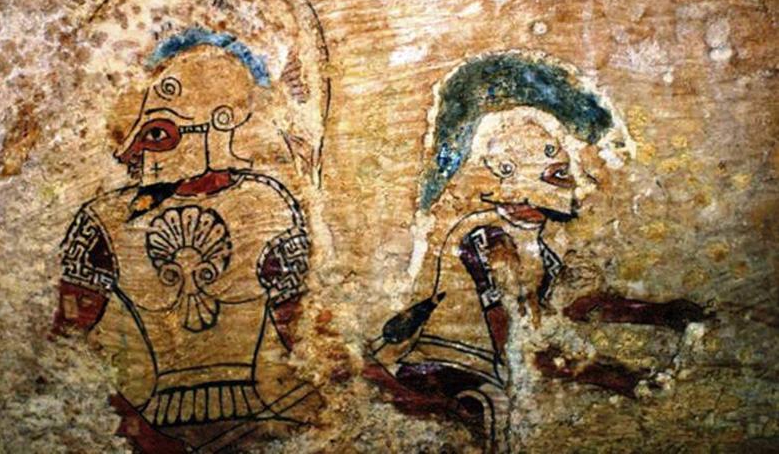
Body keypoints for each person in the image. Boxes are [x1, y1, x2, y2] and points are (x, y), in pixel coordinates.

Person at [368, 52, 708, 451]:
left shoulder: (540, 241)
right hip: (450, 370)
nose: (577, 184)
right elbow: (519, 343)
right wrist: (616, 376)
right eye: (559, 173)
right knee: (490, 406)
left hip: (494, 369)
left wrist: (657, 313)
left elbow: (573, 307)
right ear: (509, 171)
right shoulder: (488, 241)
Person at [56, 28, 318, 452]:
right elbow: (65, 347)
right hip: (151, 431)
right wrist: (140, 432)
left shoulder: (268, 205)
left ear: (220, 121)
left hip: (261, 425)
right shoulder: (104, 220)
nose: (133, 153)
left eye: (159, 134)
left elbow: (304, 335)